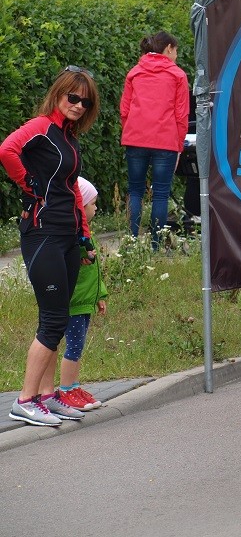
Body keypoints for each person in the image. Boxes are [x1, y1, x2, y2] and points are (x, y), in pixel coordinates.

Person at [0, 65, 99, 427]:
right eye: (73, 97)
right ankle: (24, 401)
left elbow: (71, 189)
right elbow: (6, 150)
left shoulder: (68, 136)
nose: (78, 105)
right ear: (58, 94)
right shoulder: (41, 126)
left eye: (85, 102)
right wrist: (29, 184)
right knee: (55, 320)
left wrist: (85, 237)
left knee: (55, 318)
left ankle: (45, 397)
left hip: (67, 237)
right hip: (42, 235)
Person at [120, 30, 190, 249]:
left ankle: (131, 242)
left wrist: (131, 131)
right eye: (176, 51)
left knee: (135, 191)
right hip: (165, 141)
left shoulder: (134, 72)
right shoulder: (178, 75)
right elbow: (181, 115)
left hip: (135, 139)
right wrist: (178, 146)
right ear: (168, 48)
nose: (176, 56)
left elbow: (124, 110)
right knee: (160, 194)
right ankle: (155, 246)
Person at [54, 177, 108, 411]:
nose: (96, 208)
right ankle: (65, 390)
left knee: (78, 346)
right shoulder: (72, 239)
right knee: (74, 346)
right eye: (92, 203)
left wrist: (100, 295)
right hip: (75, 302)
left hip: (86, 300)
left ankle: (74, 387)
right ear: (79, 206)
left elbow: (95, 272)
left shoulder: (85, 236)